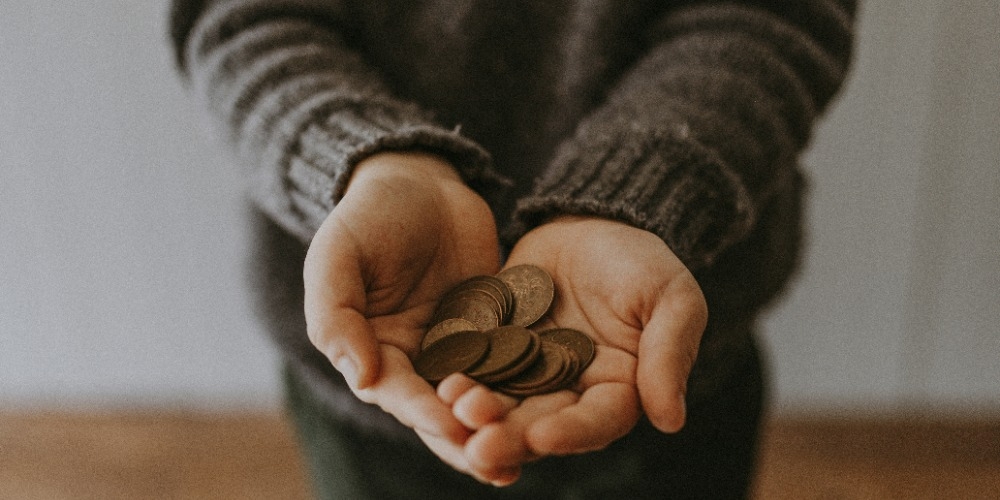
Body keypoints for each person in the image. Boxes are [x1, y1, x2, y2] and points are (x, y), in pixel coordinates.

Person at [170, 1, 856, 497]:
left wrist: (641, 187)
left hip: (664, 353)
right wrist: (364, 161)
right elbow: (240, 21)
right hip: (378, 373)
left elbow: (770, 14)